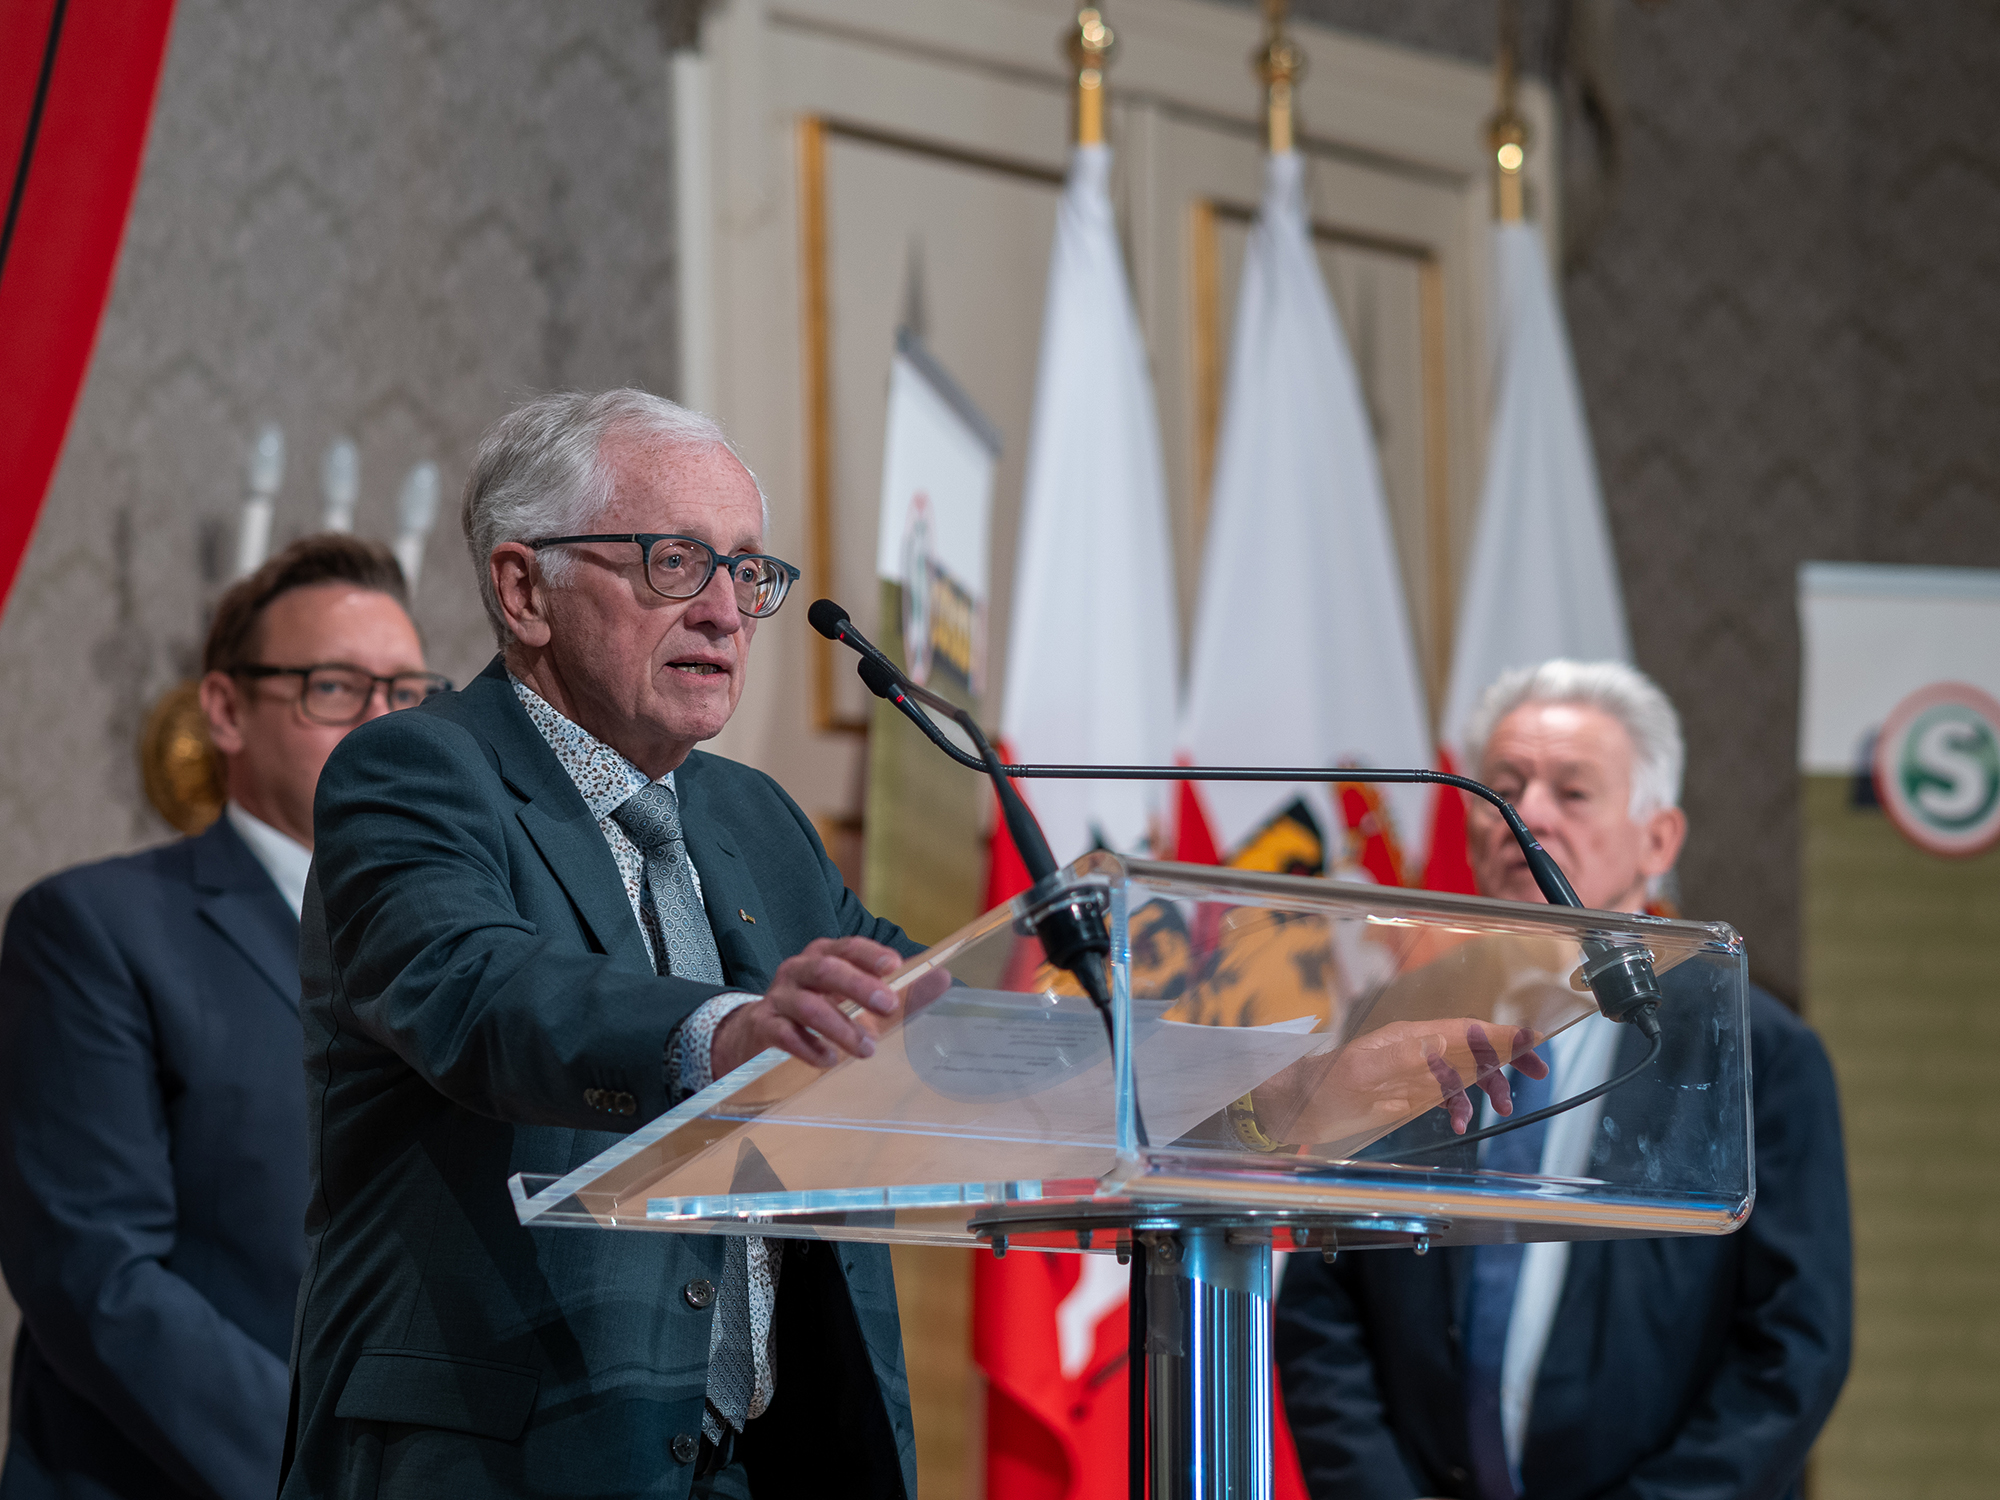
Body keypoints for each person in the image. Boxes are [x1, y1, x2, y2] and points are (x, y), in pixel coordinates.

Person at [280, 391, 925, 1500]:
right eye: (676, 562)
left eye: (746, 570)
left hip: (766, 1463)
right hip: (505, 1459)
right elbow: (479, 991)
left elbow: (918, 990)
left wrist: (1129, 1024)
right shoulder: (414, 773)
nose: (724, 612)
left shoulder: (758, 816)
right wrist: (722, 1034)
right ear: (524, 591)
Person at [1275, 660, 1853, 1500]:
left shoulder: (1760, 1050)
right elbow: (1321, 1302)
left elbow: (1795, 1348)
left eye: (1571, 792)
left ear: (1658, 841)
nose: (1529, 816)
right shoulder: (1393, 1026)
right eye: (1503, 790)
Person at [0, 535, 441, 1500]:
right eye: (336, 688)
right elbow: (92, 1272)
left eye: (408, 694)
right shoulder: (95, 929)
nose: (382, 726)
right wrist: (322, 1472)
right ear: (226, 710)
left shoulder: (462, 945)